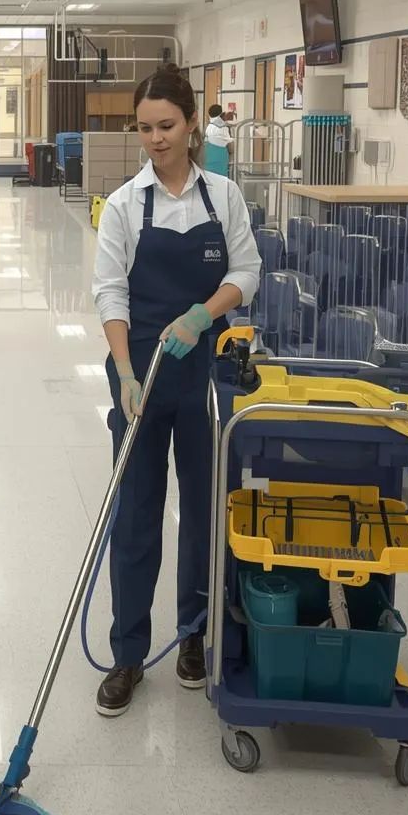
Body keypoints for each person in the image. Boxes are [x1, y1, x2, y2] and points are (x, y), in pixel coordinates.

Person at [90, 66, 261, 716]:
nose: (155, 140)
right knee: (134, 513)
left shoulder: (224, 197)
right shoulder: (127, 203)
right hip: (139, 371)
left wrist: (204, 311)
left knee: (203, 505)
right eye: (145, 128)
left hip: (204, 368)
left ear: (192, 124)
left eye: (166, 126)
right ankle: (129, 652)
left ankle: (194, 635)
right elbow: (109, 289)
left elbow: (245, 270)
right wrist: (126, 371)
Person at [204, 104, 233, 177]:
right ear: (221, 114)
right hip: (220, 157)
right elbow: (231, 148)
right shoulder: (223, 127)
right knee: (220, 181)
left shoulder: (209, 127)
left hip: (207, 156)